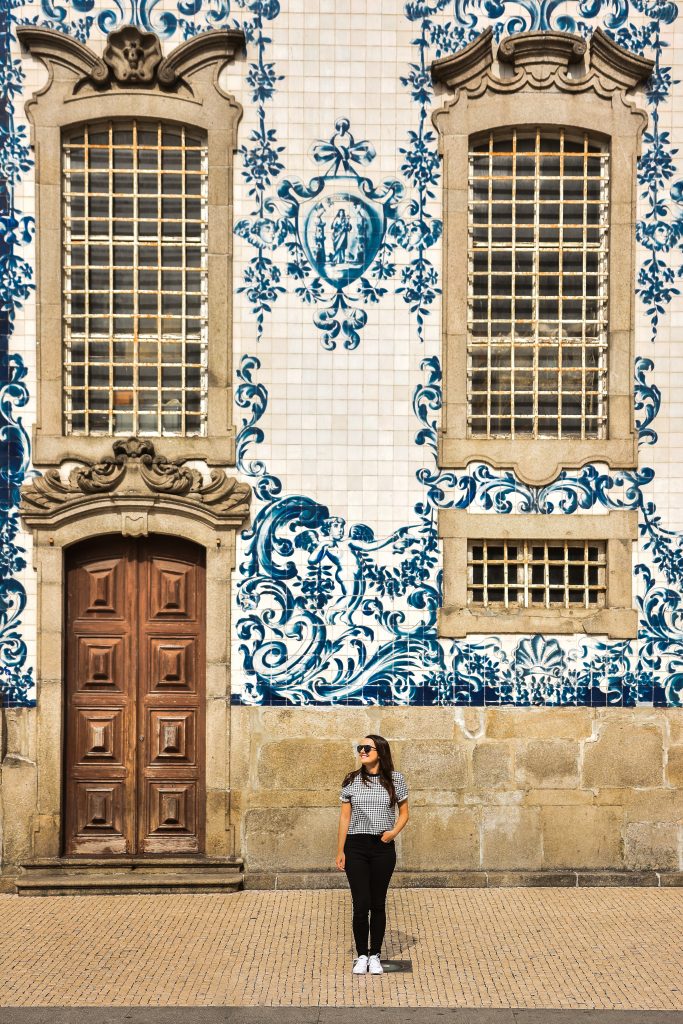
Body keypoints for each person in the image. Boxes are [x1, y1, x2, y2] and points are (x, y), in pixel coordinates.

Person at [335, 734, 409, 975]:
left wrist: (392, 833)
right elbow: (345, 818)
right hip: (356, 846)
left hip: (382, 847)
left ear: (381, 752)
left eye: (367, 747)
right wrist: (340, 850)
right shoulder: (351, 780)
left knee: (378, 903)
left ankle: (375, 954)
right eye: (360, 747)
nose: (362, 751)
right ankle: (361, 956)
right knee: (360, 904)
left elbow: (404, 813)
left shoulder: (395, 780)